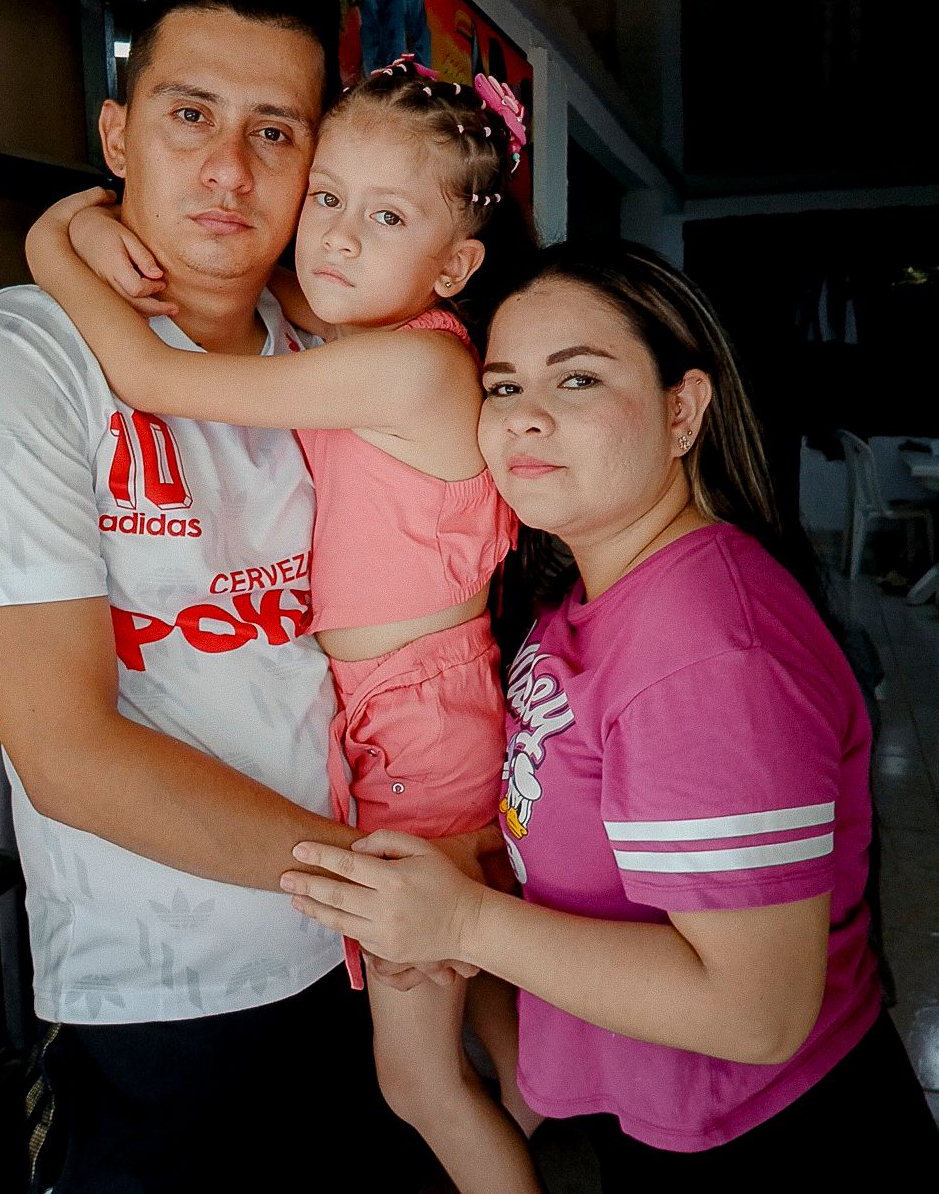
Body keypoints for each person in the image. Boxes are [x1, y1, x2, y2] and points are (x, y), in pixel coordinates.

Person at [0, 0, 493, 1193]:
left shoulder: (326, 343)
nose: (230, 170)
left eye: (273, 133)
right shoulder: (17, 361)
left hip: (362, 937)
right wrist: (385, 891)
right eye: (189, 116)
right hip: (170, 996)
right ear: (117, 134)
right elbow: (68, 756)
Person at [281, 241, 939, 1190]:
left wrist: (462, 922)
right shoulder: (587, 595)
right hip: (673, 1122)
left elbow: (756, 1013)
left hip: (778, 1144)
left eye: (577, 379)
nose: (526, 419)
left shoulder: (708, 653)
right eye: (501, 389)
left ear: (684, 410)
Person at [24, 57, 544, 1194]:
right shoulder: (375, 330)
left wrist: (49, 244)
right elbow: (281, 290)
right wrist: (103, 212)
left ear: (455, 264)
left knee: (418, 1083)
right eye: (328, 198)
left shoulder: (407, 367)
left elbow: (149, 375)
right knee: (499, 1030)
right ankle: (547, 1136)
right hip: (417, 715)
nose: (340, 237)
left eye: (387, 214)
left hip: (417, 738)